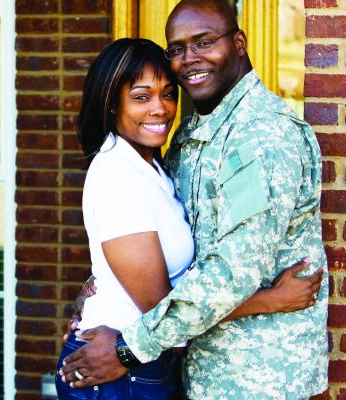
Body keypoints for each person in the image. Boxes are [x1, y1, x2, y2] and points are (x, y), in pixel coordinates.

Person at [60, 1, 329, 399]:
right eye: (178, 48)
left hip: (257, 374)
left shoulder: (262, 137)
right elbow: (151, 241)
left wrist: (126, 346)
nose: (189, 59)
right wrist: (104, 282)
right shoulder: (189, 137)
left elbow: (232, 272)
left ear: (239, 43)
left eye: (204, 42)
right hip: (192, 368)